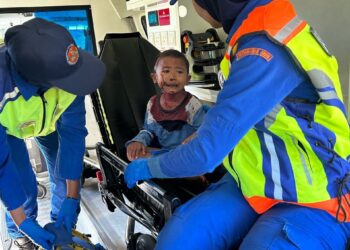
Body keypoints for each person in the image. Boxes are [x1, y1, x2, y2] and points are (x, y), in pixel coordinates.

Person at [124, 0, 350, 249]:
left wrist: (148, 167)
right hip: (255, 177)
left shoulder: (264, 47)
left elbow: (204, 155)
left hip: (317, 196)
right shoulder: (248, 38)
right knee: (176, 242)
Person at [0, 18, 106, 249]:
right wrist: (22, 221)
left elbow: (73, 134)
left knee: (63, 173)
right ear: (38, 81)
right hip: (9, 128)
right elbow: (1, 165)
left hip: (49, 122)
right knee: (22, 184)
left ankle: (63, 226)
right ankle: (19, 233)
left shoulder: (70, 71)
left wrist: (72, 198)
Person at [126, 49, 208, 162]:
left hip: (186, 153)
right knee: (135, 154)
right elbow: (148, 131)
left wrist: (193, 141)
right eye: (166, 71)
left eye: (179, 72)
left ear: (187, 79)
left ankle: (188, 173)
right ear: (155, 78)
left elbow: (205, 132)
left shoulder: (192, 105)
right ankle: (182, 172)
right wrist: (138, 141)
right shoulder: (152, 103)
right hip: (164, 153)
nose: (172, 77)